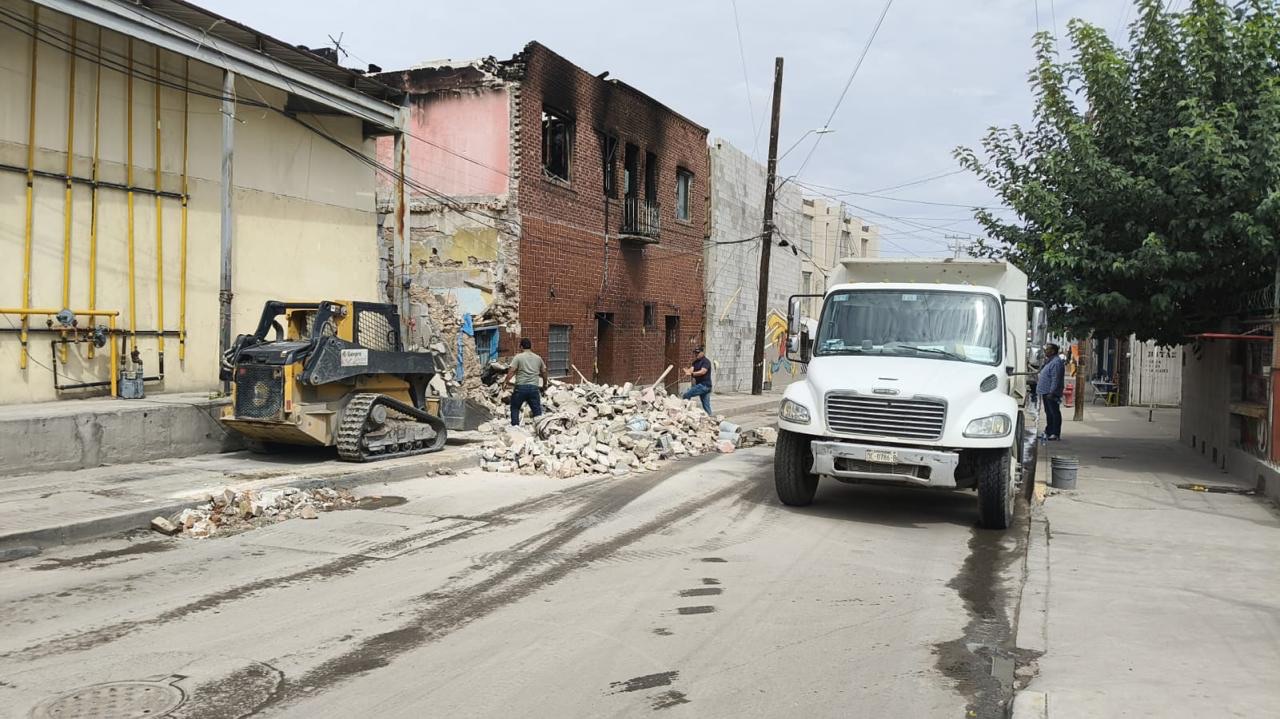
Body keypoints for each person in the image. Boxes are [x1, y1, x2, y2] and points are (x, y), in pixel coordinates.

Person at [504, 338, 548, 426]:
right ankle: (540, 429)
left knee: (515, 407)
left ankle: (515, 428)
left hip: (521, 388)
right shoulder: (538, 358)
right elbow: (544, 372)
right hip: (534, 388)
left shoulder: (518, 357)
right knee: (537, 411)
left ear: (521, 347)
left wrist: (506, 381)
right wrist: (544, 384)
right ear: (531, 346)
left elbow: (512, 370)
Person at [1037, 342, 1065, 440]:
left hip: (1051, 393)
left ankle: (1055, 433)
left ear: (1053, 351)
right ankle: (1049, 431)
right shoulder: (1049, 361)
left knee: (1054, 412)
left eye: (1047, 349)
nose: (1045, 351)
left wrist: (1052, 392)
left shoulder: (1056, 362)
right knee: (1048, 412)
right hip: (1045, 392)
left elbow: (1055, 378)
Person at [681, 347, 713, 414]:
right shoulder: (695, 362)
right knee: (706, 405)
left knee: (686, 395)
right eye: (695, 353)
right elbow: (691, 369)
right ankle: (711, 418)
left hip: (704, 385)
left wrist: (692, 373)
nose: (696, 354)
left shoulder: (706, 361)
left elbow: (703, 372)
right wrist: (688, 371)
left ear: (702, 353)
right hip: (703, 386)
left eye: (698, 353)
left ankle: (684, 412)